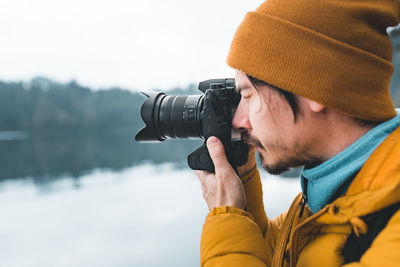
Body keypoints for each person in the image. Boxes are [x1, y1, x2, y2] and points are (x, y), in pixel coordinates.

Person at [195, 0, 400, 266]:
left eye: (248, 94)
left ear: (313, 89)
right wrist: (242, 184)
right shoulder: (327, 199)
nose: (239, 119)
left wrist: (227, 217)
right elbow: (279, 255)